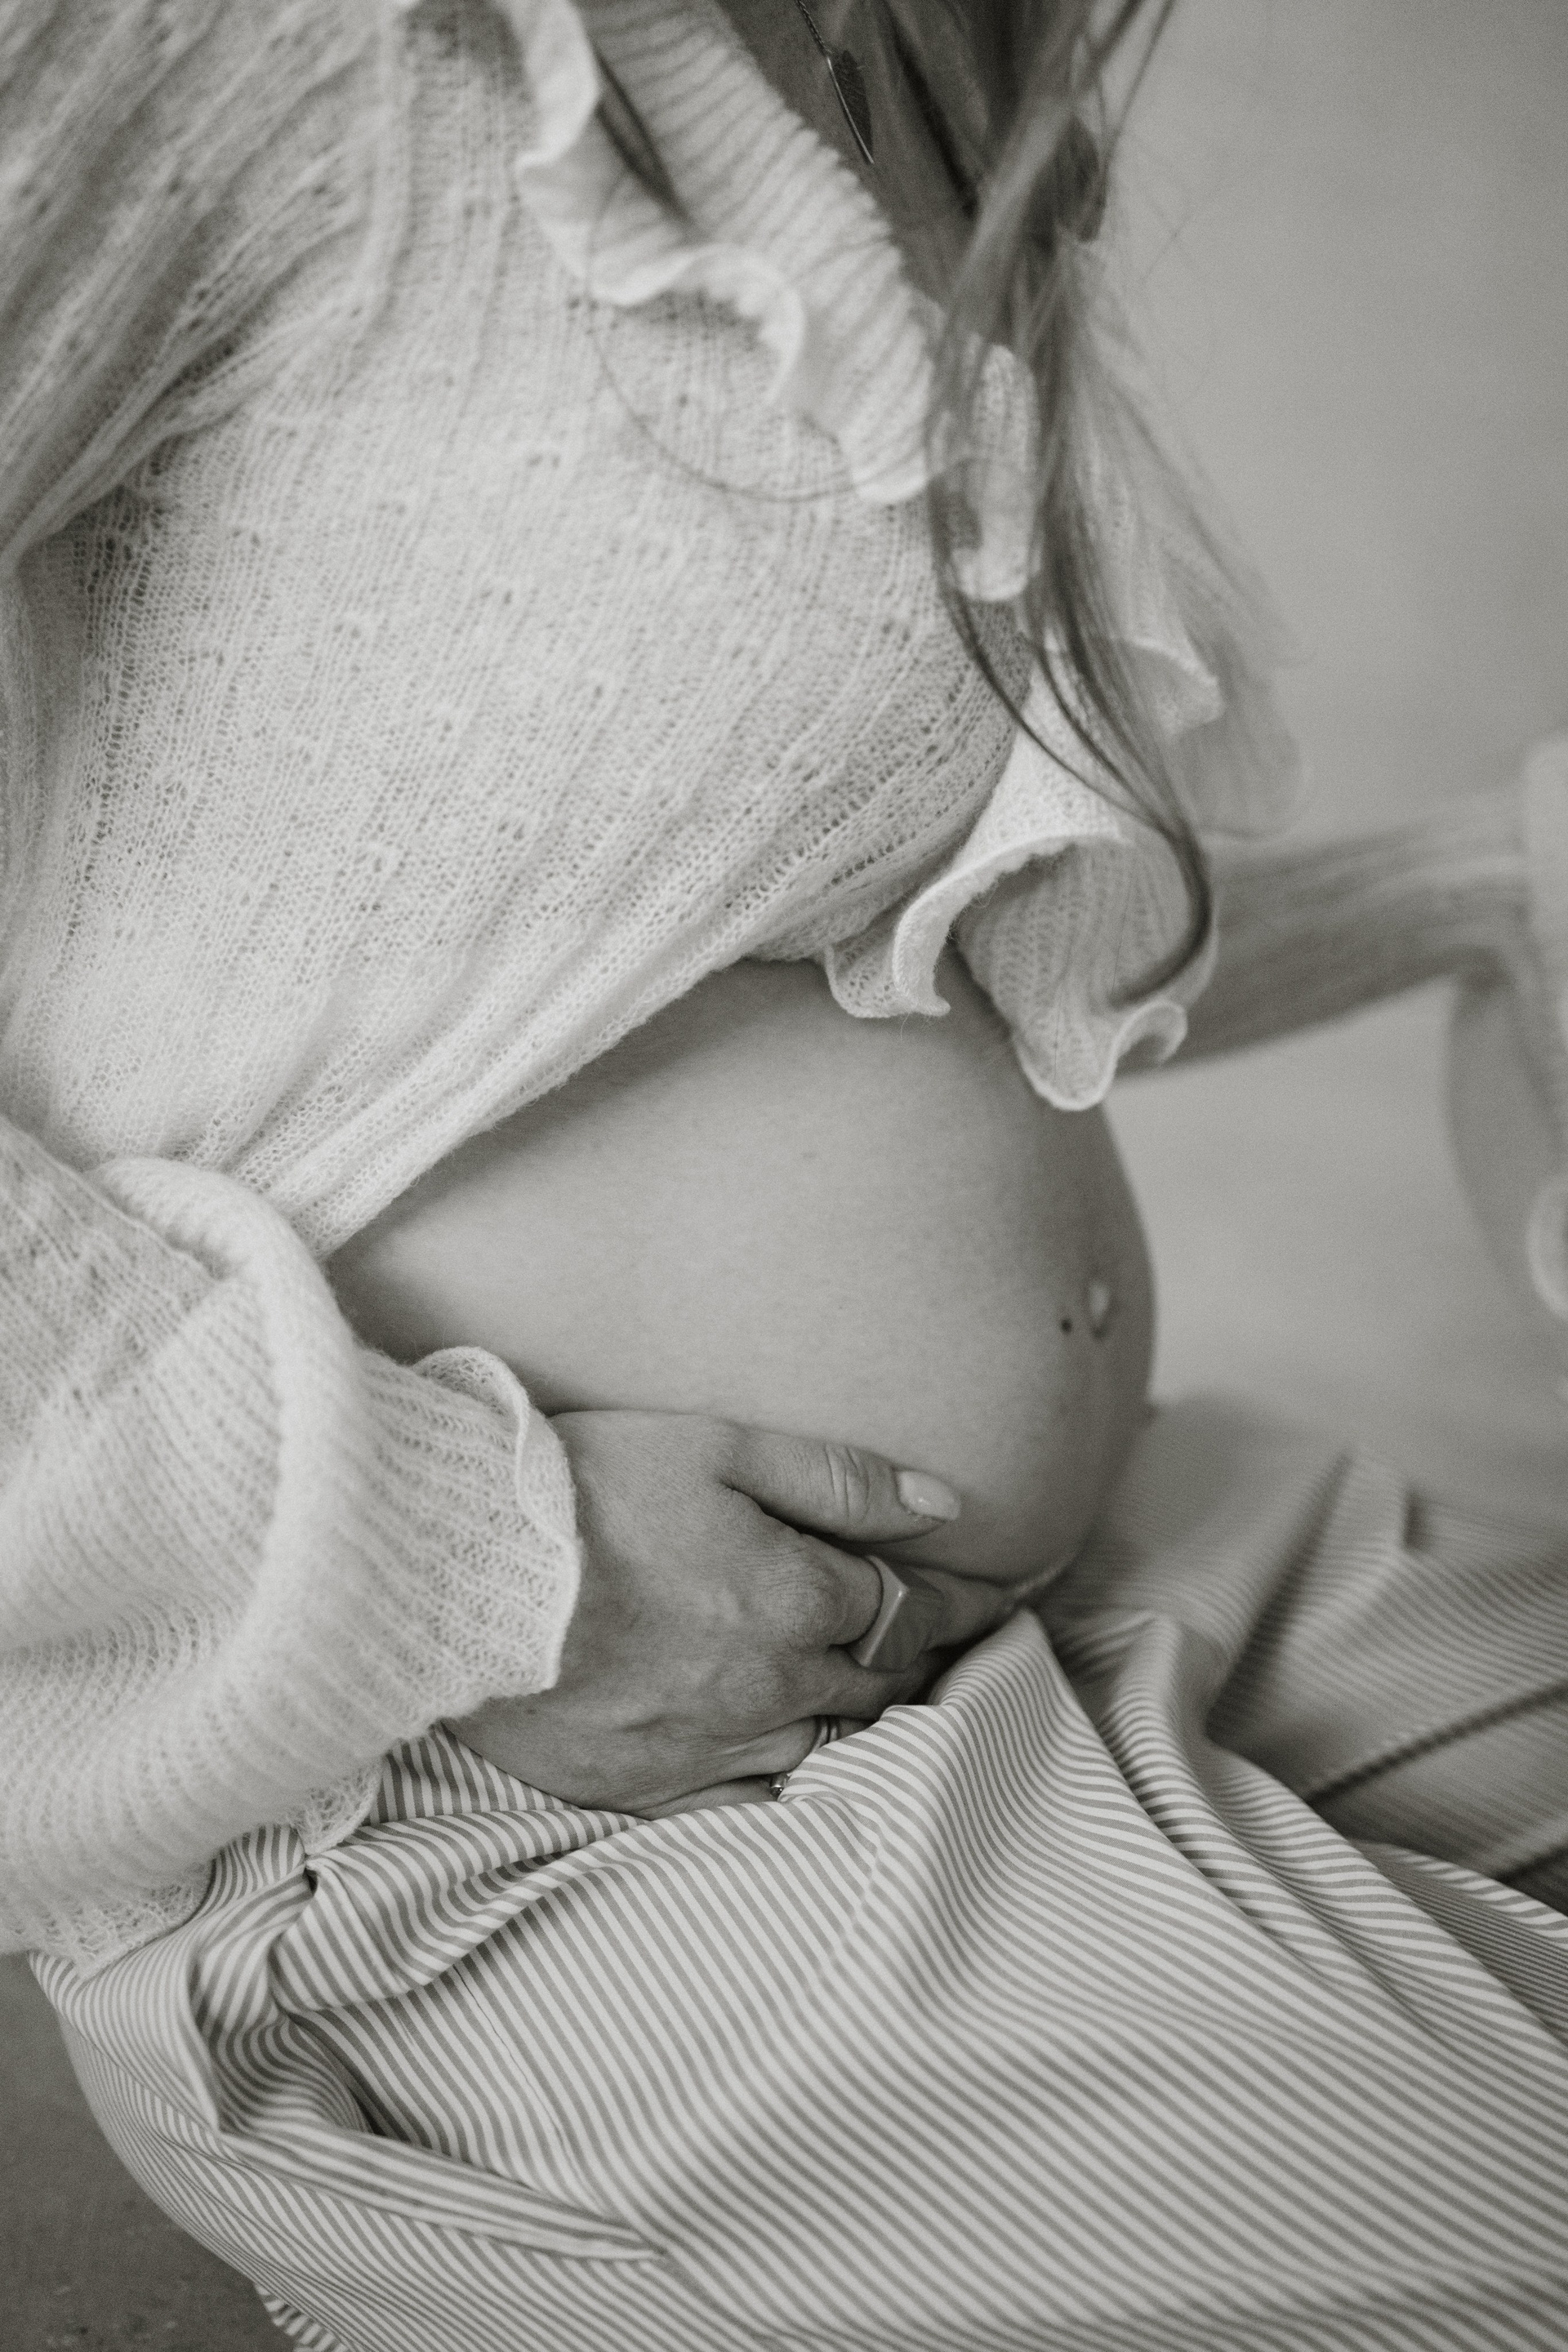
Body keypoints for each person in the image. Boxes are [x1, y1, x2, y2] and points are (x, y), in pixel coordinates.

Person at [3, 1, 1566, 2345]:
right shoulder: (273, 45)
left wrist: (1468, 889)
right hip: (504, 1787)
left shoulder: (887, 86)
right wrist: (473, 1565)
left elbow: (778, 943)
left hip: (1094, 1577)